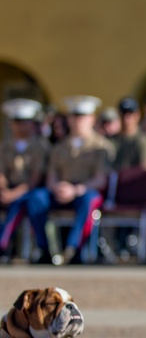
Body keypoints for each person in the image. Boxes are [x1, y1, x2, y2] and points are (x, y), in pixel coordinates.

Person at [33, 96, 116, 265]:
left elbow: (100, 179)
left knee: (89, 199)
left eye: (82, 116)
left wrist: (76, 189)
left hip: (84, 192)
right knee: (36, 198)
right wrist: (57, 187)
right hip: (61, 192)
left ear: (92, 118)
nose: (78, 121)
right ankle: (45, 249)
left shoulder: (102, 146)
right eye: (74, 116)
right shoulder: (59, 147)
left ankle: (73, 249)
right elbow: (51, 177)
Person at [0, 99, 49, 262]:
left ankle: (4, 244)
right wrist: (3, 190)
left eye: (24, 121)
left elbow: (35, 178)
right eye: (16, 121)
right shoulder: (4, 146)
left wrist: (12, 194)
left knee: (24, 203)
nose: (20, 125)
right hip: (8, 190)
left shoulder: (41, 147)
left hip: (29, 191)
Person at [113, 97, 146, 172]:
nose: (126, 118)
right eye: (123, 114)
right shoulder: (113, 140)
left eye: (130, 114)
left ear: (137, 115)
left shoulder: (144, 142)